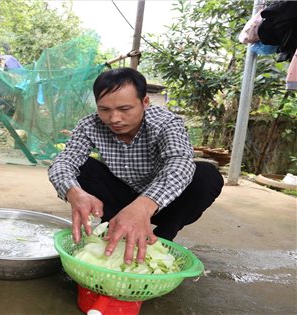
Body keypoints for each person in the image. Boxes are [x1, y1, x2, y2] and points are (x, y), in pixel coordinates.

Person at [48, 67, 223, 266]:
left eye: (125, 109)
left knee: (206, 175)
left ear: (145, 102)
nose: (114, 119)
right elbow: (63, 162)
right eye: (104, 109)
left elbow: (179, 163)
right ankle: (116, 229)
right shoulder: (89, 125)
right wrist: (73, 192)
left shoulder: (166, 123)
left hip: (163, 203)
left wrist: (144, 205)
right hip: (118, 200)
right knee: (83, 168)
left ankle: (163, 237)